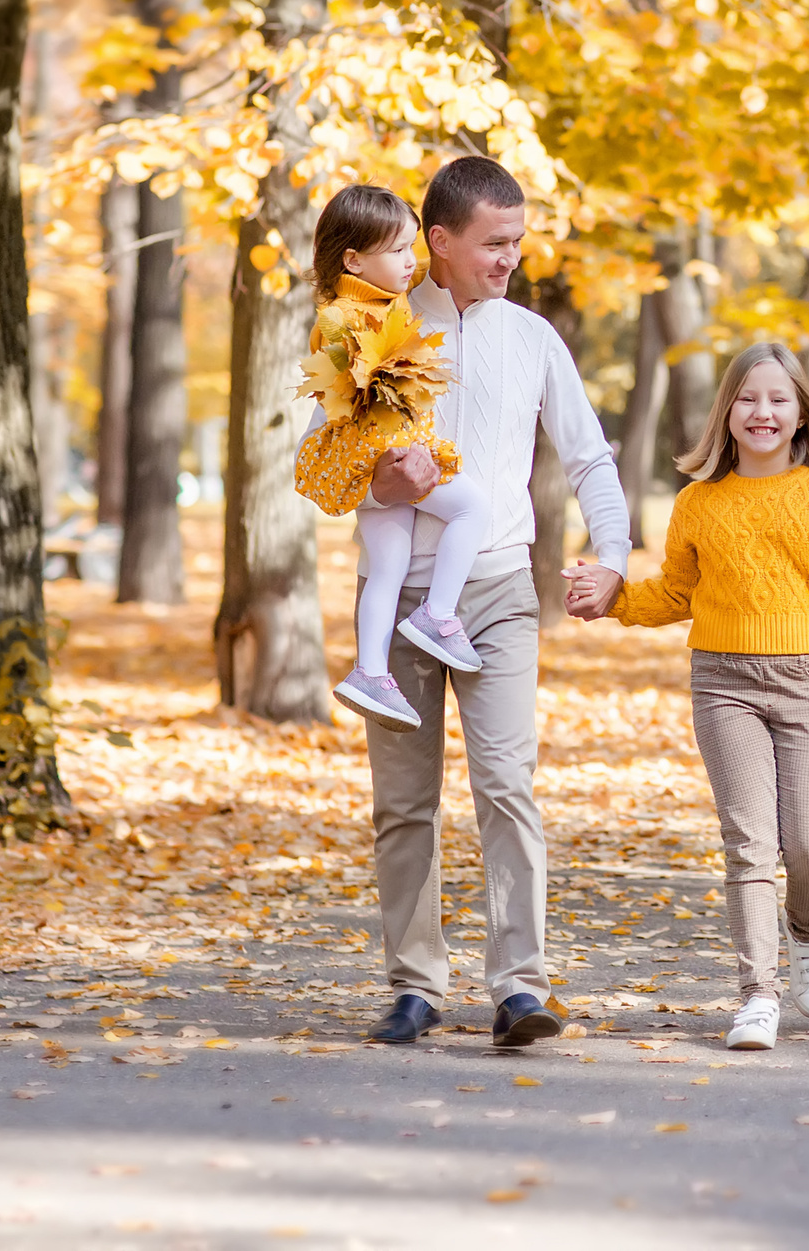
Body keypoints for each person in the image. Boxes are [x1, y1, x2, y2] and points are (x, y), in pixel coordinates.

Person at [312, 156, 630, 1050]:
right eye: (495, 244)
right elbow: (317, 467)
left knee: (506, 784)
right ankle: (414, 984)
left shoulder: (532, 338)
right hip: (397, 594)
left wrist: (612, 554)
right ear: (440, 242)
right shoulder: (369, 326)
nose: (511, 259)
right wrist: (379, 479)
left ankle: (520, 988)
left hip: (495, 593)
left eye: (518, 242)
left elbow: (589, 455)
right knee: (406, 803)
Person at [565, 343, 809, 1051]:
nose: (762, 411)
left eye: (778, 399)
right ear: (726, 411)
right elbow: (676, 592)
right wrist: (612, 598)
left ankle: (807, 927)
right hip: (722, 681)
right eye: (748, 398)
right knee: (749, 844)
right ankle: (757, 995)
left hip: (804, 683)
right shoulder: (697, 502)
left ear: (801, 413)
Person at [294, 185, 494, 728]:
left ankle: (370, 671)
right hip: (387, 452)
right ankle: (438, 614)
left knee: (389, 565)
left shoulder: (371, 304)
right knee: (473, 508)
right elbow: (357, 388)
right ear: (354, 259)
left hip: (374, 459)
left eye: (412, 248)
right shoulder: (348, 315)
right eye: (398, 251)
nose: (412, 262)